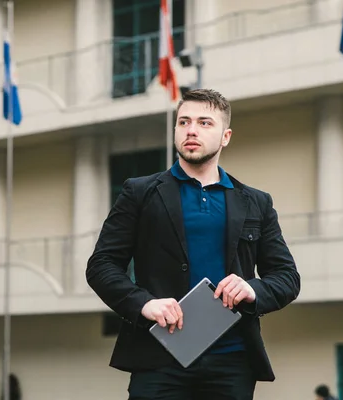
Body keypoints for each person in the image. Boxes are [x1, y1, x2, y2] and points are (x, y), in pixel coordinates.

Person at [86, 89, 300, 400]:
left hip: (233, 359)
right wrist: (144, 303)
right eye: (183, 122)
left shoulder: (256, 202)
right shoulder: (139, 193)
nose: (191, 130)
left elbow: (287, 278)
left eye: (204, 123)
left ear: (225, 136)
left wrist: (252, 290)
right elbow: (101, 265)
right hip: (158, 356)